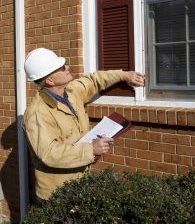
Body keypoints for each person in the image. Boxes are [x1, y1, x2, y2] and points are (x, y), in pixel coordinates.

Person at [22, 48, 145, 203]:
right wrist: (90, 149)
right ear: (50, 81)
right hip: (56, 196)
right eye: (61, 68)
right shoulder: (38, 113)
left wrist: (124, 75)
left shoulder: (72, 92)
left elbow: (94, 80)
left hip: (79, 185)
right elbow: (49, 154)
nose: (67, 67)